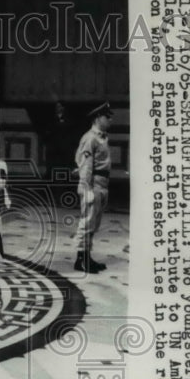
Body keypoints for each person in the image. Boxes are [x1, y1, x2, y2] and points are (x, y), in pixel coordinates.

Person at [74, 101, 114, 273]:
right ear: (98, 118)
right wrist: (86, 189)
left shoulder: (102, 137)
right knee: (87, 222)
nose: (110, 120)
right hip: (93, 184)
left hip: (103, 183)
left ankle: (87, 257)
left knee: (94, 224)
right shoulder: (90, 138)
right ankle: (81, 260)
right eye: (107, 117)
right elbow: (85, 165)